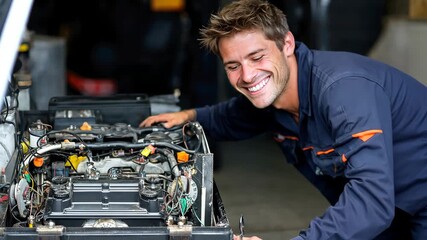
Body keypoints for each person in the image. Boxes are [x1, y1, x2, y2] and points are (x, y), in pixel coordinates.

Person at [140, 0, 427, 239]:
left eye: (257, 56)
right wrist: (188, 117)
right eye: (233, 66)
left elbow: (372, 204)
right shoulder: (273, 98)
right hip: (392, 214)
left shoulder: (343, 92)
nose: (248, 76)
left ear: (286, 43)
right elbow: (230, 116)